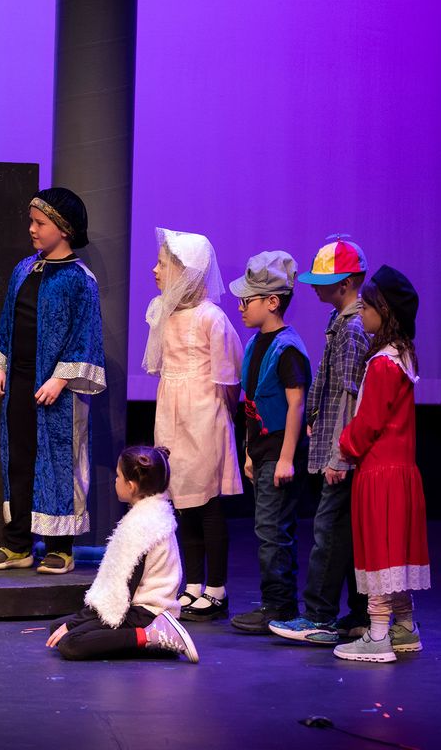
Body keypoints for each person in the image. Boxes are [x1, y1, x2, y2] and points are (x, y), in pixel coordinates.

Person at [0, 188, 106, 574]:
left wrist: (61, 379)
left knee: (58, 461)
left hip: (57, 392)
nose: (32, 229)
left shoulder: (79, 280)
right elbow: (9, 320)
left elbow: (85, 334)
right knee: (18, 459)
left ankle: (60, 547)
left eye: (40, 223)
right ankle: (17, 543)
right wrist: (0, 365)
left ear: (64, 229)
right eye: (32, 222)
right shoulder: (24, 269)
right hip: (20, 382)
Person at [270, 237, 371, 645]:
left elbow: (350, 395)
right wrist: (314, 417)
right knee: (343, 534)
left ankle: (319, 616)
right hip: (334, 444)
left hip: (342, 453)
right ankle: (359, 614)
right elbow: (328, 385)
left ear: (345, 284)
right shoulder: (338, 321)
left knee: (328, 534)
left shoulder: (353, 328)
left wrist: (339, 454)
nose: (313, 288)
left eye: (323, 281)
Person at [143, 228, 243, 621]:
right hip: (172, 416)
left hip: (203, 416)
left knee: (208, 503)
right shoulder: (165, 312)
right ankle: (193, 583)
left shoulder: (211, 317)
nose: (155, 271)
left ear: (187, 272)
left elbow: (229, 376)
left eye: (163, 264)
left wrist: (221, 418)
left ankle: (216, 588)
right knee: (182, 501)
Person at [333, 266, 429, 663]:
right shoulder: (402, 357)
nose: (361, 312)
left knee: (380, 552)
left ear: (383, 312)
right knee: (396, 554)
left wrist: (344, 444)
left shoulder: (382, 364)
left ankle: (377, 635)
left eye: (367, 306)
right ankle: (404, 627)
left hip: (380, 474)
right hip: (400, 471)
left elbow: (368, 423)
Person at [45, 446, 198, 662]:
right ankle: (155, 643)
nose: (114, 481)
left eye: (118, 476)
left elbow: (120, 589)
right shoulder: (152, 512)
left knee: (71, 642)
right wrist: (75, 622)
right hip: (141, 607)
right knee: (57, 628)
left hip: (147, 613)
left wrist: (75, 624)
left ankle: (151, 636)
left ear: (131, 486)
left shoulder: (141, 525)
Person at [228, 251, 312, 634]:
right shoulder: (255, 343)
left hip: (280, 451)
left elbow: (296, 405)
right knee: (266, 529)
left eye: (247, 300)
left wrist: (286, 458)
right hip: (261, 450)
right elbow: (252, 402)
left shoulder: (287, 348)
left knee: (273, 530)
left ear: (272, 301)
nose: (241, 307)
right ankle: (275, 602)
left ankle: (279, 606)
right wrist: (249, 451)